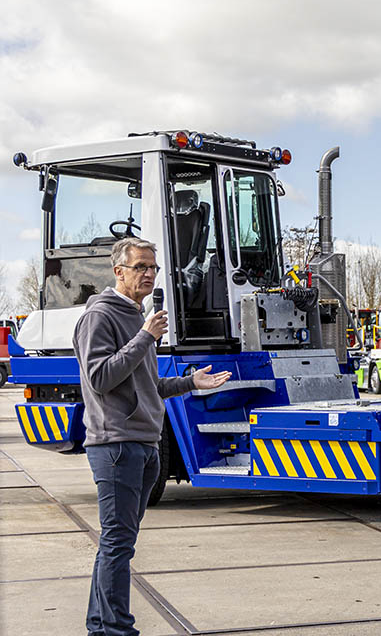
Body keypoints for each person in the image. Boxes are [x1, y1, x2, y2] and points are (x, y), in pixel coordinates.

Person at [75, 237, 230, 636]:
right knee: (117, 544)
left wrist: (190, 382)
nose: (148, 274)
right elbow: (100, 378)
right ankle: (116, 630)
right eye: (140, 266)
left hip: (144, 444)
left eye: (153, 268)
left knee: (118, 544)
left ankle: (100, 626)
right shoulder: (101, 317)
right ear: (119, 271)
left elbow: (146, 384)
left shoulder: (138, 317)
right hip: (116, 446)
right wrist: (144, 336)